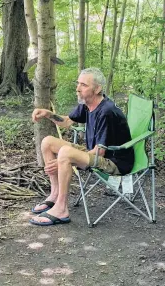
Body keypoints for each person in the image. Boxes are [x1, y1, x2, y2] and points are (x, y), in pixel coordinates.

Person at [29, 68, 134, 226]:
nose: (78, 88)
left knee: (65, 153)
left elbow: (100, 151)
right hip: (97, 153)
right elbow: (66, 122)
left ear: (97, 89)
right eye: (78, 83)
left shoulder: (107, 112)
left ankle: (61, 210)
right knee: (48, 141)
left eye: (83, 85)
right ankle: (55, 194)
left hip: (114, 161)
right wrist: (47, 114)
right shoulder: (88, 104)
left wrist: (62, 161)